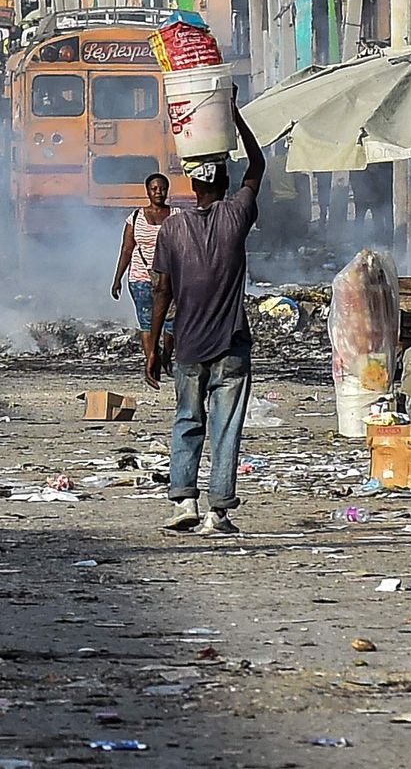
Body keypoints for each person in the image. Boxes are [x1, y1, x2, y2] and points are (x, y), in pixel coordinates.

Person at [145, 98, 265, 538]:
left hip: (188, 346)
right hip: (231, 344)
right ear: (226, 183)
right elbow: (258, 165)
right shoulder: (237, 215)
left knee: (187, 420)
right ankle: (218, 510)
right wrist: (235, 117)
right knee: (226, 427)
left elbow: (161, 290)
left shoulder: (172, 228)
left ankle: (184, 501)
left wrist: (154, 345)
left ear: (191, 186)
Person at [111, 173, 172, 338]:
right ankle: (152, 358)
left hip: (170, 279)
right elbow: (127, 250)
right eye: (154, 189)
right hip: (140, 278)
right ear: (147, 191)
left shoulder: (176, 216)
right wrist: (118, 279)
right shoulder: (136, 218)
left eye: (162, 189)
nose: (158, 192)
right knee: (146, 324)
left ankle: (165, 357)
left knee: (171, 323)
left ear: (168, 191)